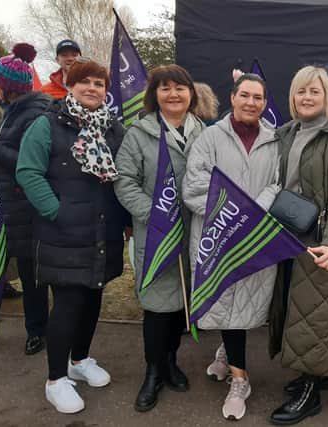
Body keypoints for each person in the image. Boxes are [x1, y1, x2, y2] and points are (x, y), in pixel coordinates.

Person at [17, 59, 128, 414]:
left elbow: (122, 177)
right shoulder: (47, 124)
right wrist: (56, 210)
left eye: (99, 83)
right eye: (86, 82)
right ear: (70, 84)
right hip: (63, 231)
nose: (93, 88)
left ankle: (79, 359)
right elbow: (28, 172)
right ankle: (55, 379)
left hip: (101, 230)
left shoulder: (112, 128)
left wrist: (123, 219)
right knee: (67, 303)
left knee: (93, 297)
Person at [182, 73, 280, 421]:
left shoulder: (275, 140)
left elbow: (278, 183)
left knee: (244, 305)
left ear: (265, 103)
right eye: (245, 95)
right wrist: (235, 214)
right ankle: (240, 378)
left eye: (258, 97)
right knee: (224, 298)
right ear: (233, 97)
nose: (251, 102)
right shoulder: (209, 138)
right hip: (218, 235)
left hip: (255, 236)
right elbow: (194, 185)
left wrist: (256, 211)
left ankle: (227, 352)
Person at [267, 65, 328, 425]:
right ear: (292, 96)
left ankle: (310, 392)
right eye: (301, 91)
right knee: (296, 311)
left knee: (315, 315)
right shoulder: (287, 133)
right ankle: (310, 374)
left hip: (318, 240)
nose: (307, 97)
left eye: (314, 91)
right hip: (286, 233)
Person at [114, 64, 204, 412]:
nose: (173, 94)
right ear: (155, 95)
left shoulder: (204, 132)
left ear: (190, 93)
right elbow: (124, 180)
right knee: (156, 306)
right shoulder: (139, 134)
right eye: (165, 88)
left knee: (180, 304)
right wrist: (153, 215)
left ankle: (170, 362)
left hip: (192, 233)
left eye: (180, 87)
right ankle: (152, 371)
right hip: (156, 235)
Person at [0, 43, 52, 354]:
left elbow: (30, 162)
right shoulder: (14, 111)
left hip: (29, 207)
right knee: (26, 272)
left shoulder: (34, 113)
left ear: (8, 87)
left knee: (33, 275)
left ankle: (38, 330)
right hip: (14, 206)